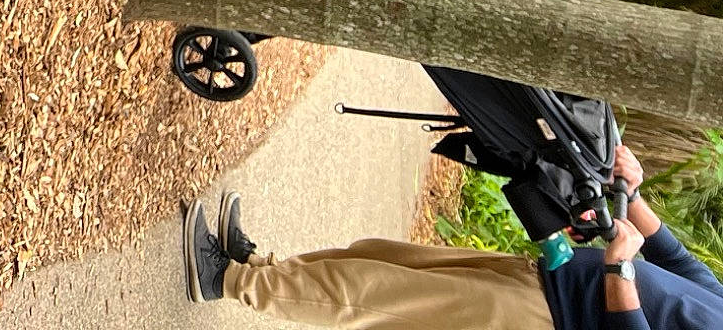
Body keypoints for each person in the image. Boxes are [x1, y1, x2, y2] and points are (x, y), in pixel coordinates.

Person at [186, 147, 723, 329]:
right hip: (550, 277)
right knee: (384, 259)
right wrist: (628, 188)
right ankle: (260, 267)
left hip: (547, 319)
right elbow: (680, 264)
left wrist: (618, 269)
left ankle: (228, 281)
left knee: (376, 296)